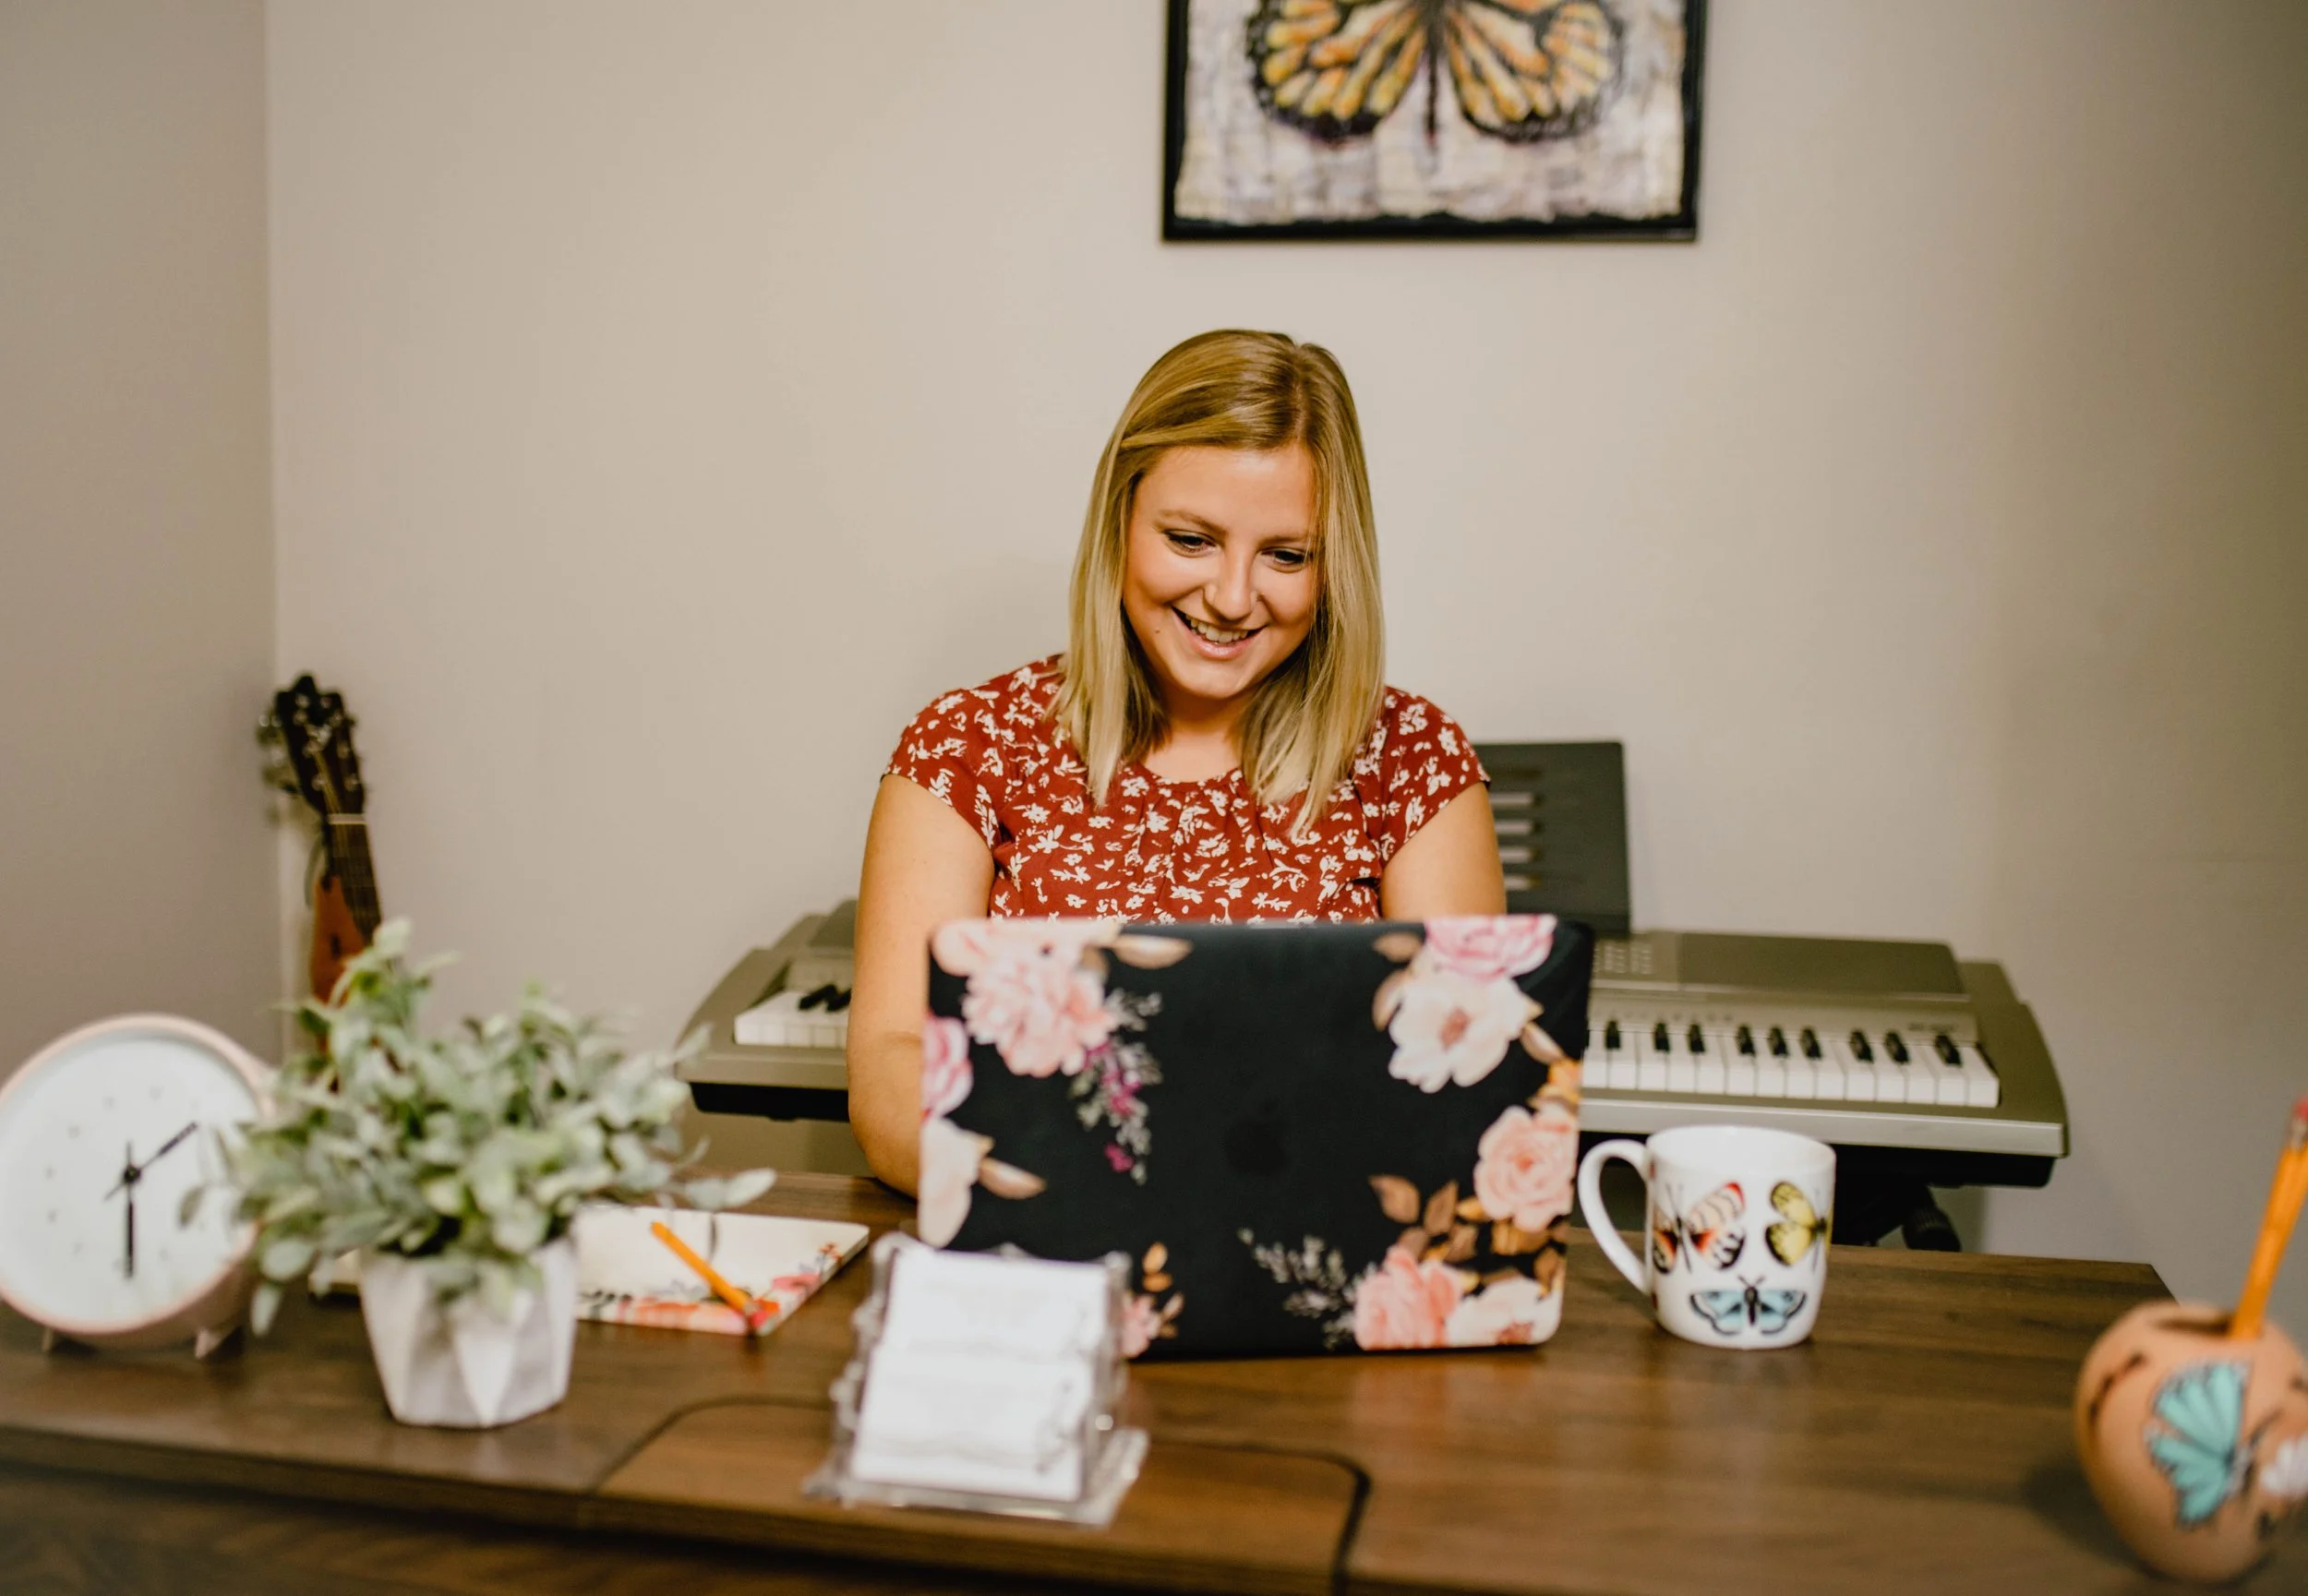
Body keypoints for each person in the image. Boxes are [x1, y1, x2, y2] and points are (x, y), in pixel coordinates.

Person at [847, 330, 1505, 1191]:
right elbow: (892, 1062)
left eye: (1287, 555)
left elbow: (1471, 1085)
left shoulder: (1415, 762)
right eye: (1191, 539)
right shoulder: (965, 747)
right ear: (1120, 519)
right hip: (1044, 1256)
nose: (1233, 598)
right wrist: (1066, 1182)